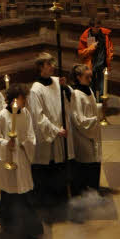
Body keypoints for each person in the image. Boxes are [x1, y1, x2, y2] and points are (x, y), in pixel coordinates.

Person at [0, 83, 44, 239]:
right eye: (23, 98)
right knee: (8, 196)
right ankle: (9, 226)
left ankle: (27, 233)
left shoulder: (26, 113)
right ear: (15, 99)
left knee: (24, 197)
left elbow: (30, 135)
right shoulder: (1, 117)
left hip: (22, 159)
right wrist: (8, 143)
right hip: (7, 162)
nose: (26, 101)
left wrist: (24, 143)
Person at [28, 52, 73, 216]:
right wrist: (55, 130)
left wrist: (66, 88)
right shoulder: (35, 90)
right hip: (47, 136)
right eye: (48, 64)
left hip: (60, 132)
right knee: (46, 169)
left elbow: (69, 99)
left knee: (59, 167)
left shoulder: (56, 81)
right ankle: (45, 204)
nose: (52, 66)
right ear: (40, 67)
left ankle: (59, 200)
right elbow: (38, 118)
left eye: (53, 63)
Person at [69, 63, 102, 195]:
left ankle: (92, 190)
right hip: (83, 136)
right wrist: (96, 119)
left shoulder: (89, 90)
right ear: (78, 77)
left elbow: (92, 108)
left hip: (93, 132)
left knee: (94, 161)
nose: (90, 80)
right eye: (87, 77)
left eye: (90, 77)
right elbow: (78, 120)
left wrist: (100, 107)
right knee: (85, 163)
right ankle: (83, 192)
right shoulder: (76, 94)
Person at [78, 15, 113, 98]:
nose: (98, 29)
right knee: (91, 83)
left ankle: (101, 100)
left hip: (102, 63)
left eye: (99, 27)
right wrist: (92, 47)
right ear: (91, 27)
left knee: (102, 84)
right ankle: (92, 100)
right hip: (91, 63)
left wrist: (110, 56)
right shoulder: (85, 36)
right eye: (96, 27)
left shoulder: (105, 35)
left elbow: (110, 47)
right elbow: (81, 53)